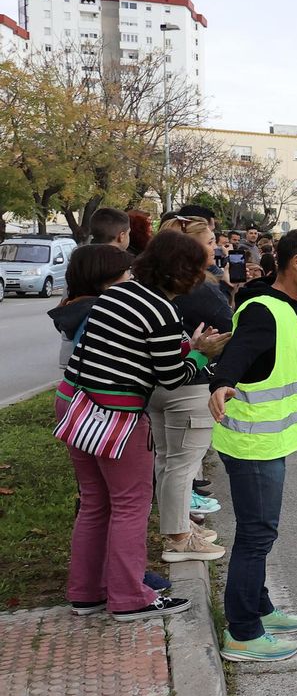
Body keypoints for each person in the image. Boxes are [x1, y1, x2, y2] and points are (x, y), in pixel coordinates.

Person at [57, 230, 230, 621]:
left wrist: (187, 347)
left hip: (75, 402)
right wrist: (201, 355)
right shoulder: (161, 310)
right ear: (181, 272)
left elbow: (135, 350)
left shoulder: (118, 294)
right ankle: (129, 596)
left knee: (94, 503)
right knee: (130, 505)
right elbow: (171, 377)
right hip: (116, 414)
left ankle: (86, 592)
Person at [207, 229, 297, 662]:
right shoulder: (263, 310)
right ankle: (243, 633)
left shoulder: (291, 303)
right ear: (296, 263)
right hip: (252, 444)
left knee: (260, 531)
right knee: (257, 534)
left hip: (267, 440)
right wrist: (222, 383)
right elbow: (239, 352)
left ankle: (260, 607)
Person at [150, 215, 234, 563]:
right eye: (210, 241)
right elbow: (229, 328)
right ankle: (180, 539)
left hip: (156, 386)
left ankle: (180, 527)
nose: (216, 247)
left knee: (168, 461)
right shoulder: (196, 290)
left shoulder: (150, 289)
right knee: (183, 465)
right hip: (187, 386)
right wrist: (203, 355)